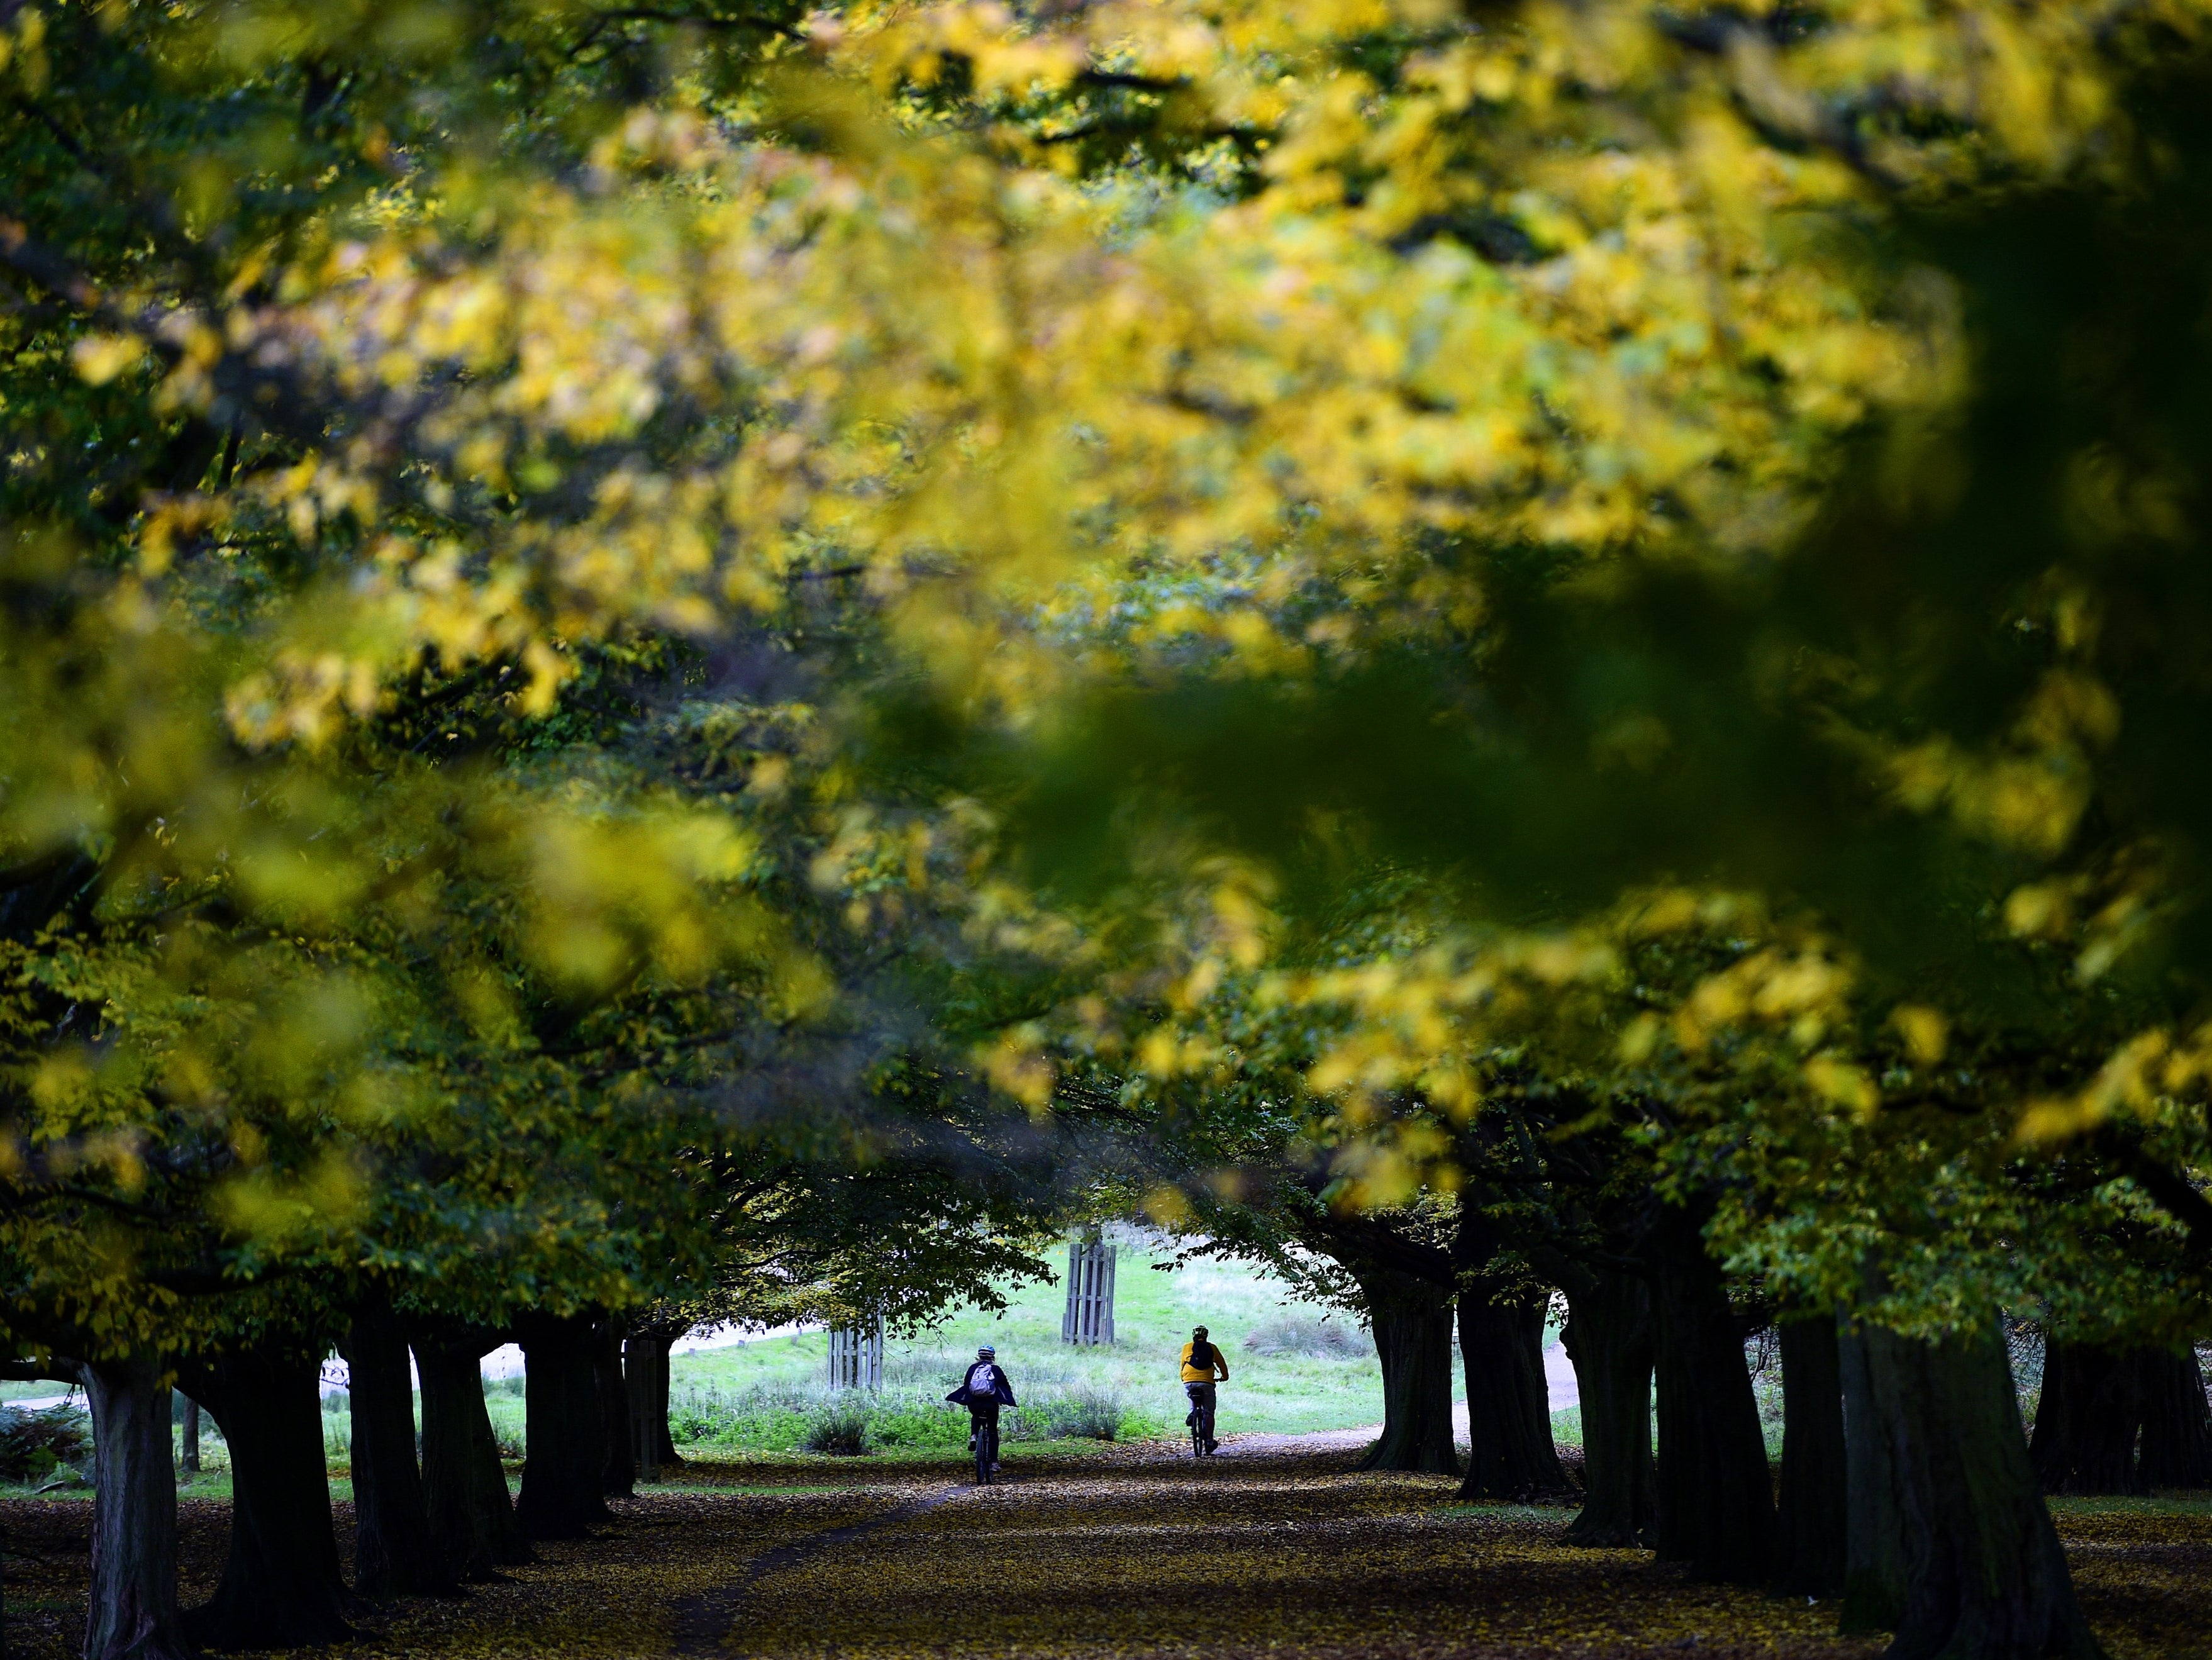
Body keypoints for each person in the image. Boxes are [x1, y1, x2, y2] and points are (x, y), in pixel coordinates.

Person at [947, 1344, 1017, 1471]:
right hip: (991, 1404)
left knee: (976, 1416)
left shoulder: (973, 1368)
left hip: (974, 1403)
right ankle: (994, 1462)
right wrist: (1005, 1398)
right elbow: (1005, 1386)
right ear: (993, 1357)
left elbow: (967, 1384)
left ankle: (974, 1436)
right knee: (992, 1431)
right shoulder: (996, 1370)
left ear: (979, 1356)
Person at [1181, 1325, 1229, 1453]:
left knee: (1192, 1395)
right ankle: (1209, 1441)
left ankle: (1192, 1413)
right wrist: (1225, 1377)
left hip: (1189, 1381)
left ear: (1194, 1336)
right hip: (1207, 1383)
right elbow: (1221, 1364)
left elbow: (1182, 1364)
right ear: (1206, 1336)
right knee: (1209, 1412)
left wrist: (1184, 1378)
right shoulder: (1212, 1348)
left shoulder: (1187, 1347)